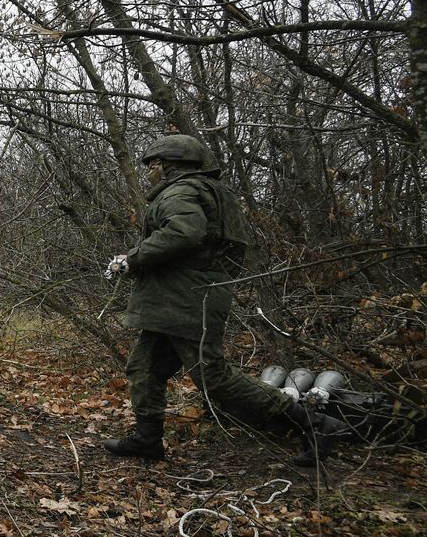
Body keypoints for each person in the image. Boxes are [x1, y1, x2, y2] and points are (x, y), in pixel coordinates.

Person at [102, 133, 348, 467]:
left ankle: (314, 422)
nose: (148, 174)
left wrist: (134, 257)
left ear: (166, 165)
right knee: (144, 369)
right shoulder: (207, 192)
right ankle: (147, 441)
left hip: (186, 299)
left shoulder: (182, 191)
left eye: (151, 166)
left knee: (213, 377)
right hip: (179, 297)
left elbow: (183, 233)